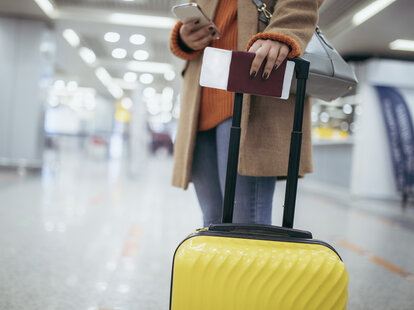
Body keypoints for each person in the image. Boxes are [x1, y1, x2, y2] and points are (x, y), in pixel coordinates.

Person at [170, 0, 322, 227]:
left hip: (252, 90)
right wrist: (185, 37)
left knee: (245, 226)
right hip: (201, 100)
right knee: (213, 222)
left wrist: (284, 29)